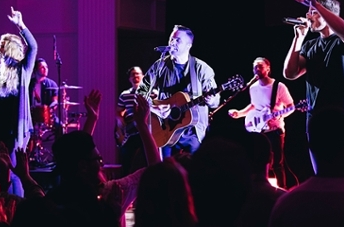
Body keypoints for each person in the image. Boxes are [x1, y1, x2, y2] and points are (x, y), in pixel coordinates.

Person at [283, 0, 344, 173]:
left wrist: (316, 5)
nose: (309, 16)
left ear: (327, 13)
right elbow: (290, 73)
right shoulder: (310, 46)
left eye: (313, 12)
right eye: (309, 11)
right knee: (325, 177)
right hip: (317, 121)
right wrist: (299, 38)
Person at [0, 7, 37, 197]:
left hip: (14, 132)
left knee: (15, 171)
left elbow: (34, 47)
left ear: (9, 50)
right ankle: (3, 209)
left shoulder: (23, 71)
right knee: (0, 173)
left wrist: (21, 25)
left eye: (1, 47)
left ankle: (17, 208)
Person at [140, 24, 220, 158]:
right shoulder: (160, 65)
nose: (172, 43)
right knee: (165, 172)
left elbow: (215, 100)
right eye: (172, 39)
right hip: (164, 129)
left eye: (178, 40)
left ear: (189, 45)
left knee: (194, 172)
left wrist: (212, 99)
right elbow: (141, 91)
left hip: (193, 132)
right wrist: (154, 108)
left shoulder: (202, 69)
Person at [228, 57, 294, 189]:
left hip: (275, 130)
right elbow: (254, 106)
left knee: (277, 164)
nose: (257, 69)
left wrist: (280, 116)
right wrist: (240, 113)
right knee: (258, 163)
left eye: (260, 66)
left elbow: (291, 106)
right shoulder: (253, 87)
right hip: (258, 131)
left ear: (268, 69)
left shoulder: (278, 86)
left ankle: (282, 191)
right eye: (255, 67)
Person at [115, 66, 148, 176]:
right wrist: (121, 126)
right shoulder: (124, 95)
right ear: (129, 79)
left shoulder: (151, 92)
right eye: (132, 74)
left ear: (143, 76)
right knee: (126, 158)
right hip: (131, 133)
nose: (135, 76)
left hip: (146, 132)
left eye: (137, 73)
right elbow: (119, 113)